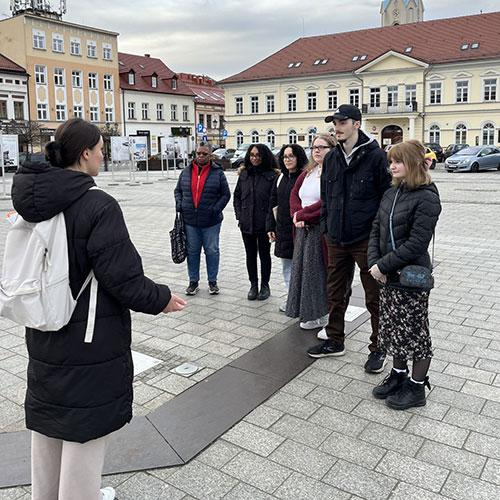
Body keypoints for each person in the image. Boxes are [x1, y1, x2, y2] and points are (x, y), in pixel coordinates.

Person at [11, 118, 186, 500]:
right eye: (101, 148)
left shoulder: (33, 202)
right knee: (85, 426)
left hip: (43, 324)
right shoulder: (97, 204)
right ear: (86, 152)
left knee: (50, 420)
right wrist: (161, 299)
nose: (103, 154)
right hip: (88, 333)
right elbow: (122, 277)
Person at [308, 104, 392, 374]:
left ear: (357, 124)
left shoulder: (375, 156)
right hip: (336, 236)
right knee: (335, 291)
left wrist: (378, 235)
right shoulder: (332, 158)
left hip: (365, 238)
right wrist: (326, 226)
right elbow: (326, 197)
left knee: (374, 295)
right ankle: (335, 340)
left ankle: (379, 348)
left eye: (342, 122)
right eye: (334, 122)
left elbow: (385, 198)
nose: (337, 126)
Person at [368, 140, 441, 409]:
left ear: (411, 163)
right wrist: (375, 263)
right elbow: (376, 228)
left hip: (410, 277)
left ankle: (417, 387)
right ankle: (399, 375)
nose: (392, 166)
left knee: (415, 334)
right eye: (391, 161)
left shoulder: (427, 197)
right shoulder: (391, 193)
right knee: (393, 330)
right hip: (387, 276)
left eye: (397, 161)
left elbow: (416, 243)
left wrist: (382, 266)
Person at [286, 134, 335, 329]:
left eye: (322, 147)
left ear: (332, 150)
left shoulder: (333, 173)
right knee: (302, 272)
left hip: (319, 229)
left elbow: (326, 203)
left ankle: (322, 314)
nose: (317, 150)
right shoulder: (308, 171)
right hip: (302, 229)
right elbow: (294, 195)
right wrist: (296, 215)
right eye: (314, 147)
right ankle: (308, 313)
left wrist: (303, 215)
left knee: (316, 273)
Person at [174, 142, 231, 295]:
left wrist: (216, 208)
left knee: (212, 251)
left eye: (204, 154)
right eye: (198, 153)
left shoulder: (217, 173)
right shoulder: (186, 171)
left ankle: (212, 282)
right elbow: (178, 190)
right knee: (192, 251)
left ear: (210, 155)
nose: (200, 156)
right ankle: (193, 282)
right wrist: (180, 204)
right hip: (190, 220)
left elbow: (226, 194)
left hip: (211, 221)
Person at [266, 144, 308, 311]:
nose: (288, 159)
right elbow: (273, 202)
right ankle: (292, 299)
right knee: (287, 267)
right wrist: (270, 226)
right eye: (285, 156)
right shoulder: (281, 178)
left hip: (300, 229)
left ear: (299, 157)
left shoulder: (305, 177)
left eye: (291, 156)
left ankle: (303, 301)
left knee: (303, 268)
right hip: (283, 229)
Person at [234, 143, 278, 300]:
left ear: (264, 156)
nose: (255, 158)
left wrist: (270, 223)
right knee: (250, 255)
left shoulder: (272, 176)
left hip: (264, 224)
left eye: (258, 155)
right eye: (252, 155)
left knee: (265, 255)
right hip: (247, 223)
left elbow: (274, 202)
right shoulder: (245, 174)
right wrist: (239, 215)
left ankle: (265, 286)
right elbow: (237, 196)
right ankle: (253, 284)